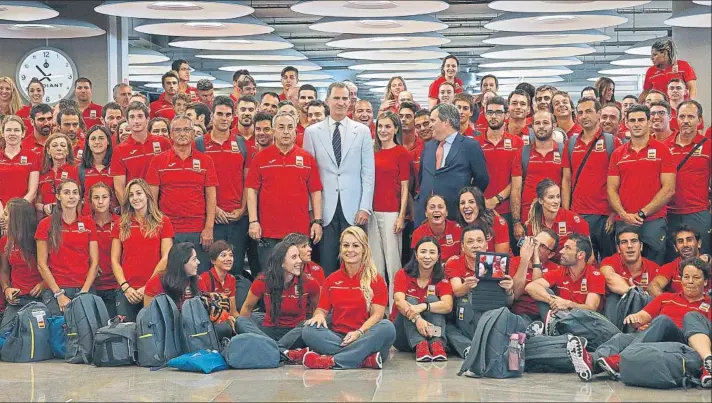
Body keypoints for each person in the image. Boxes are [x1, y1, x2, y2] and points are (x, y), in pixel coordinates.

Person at [567, 257, 711, 387]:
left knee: (662, 321)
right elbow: (643, 316)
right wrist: (635, 319)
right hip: (654, 336)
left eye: (696, 277)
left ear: (705, 282)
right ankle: (591, 362)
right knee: (621, 338)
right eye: (686, 277)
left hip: (683, 343)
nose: (690, 281)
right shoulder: (666, 297)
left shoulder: (709, 304)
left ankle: (619, 360)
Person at [303, 82, 375, 275]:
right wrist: (312, 210)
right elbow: (308, 176)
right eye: (336, 98)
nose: (341, 102)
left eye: (345, 98)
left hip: (354, 208)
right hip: (324, 208)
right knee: (327, 261)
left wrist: (364, 206)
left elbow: (368, 172)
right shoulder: (312, 132)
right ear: (328, 101)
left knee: (355, 261)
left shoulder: (362, 131)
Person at [302, 226, 396, 370]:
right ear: (341, 249)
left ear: (364, 249)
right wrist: (319, 316)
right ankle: (363, 360)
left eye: (355, 245)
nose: (350, 250)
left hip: (365, 335)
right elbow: (321, 309)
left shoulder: (376, 280)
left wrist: (359, 333)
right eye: (346, 245)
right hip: (338, 338)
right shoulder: (331, 280)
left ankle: (332, 360)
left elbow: (377, 315)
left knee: (387, 327)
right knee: (309, 329)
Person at [246, 112, 323, 270]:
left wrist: (317, 221)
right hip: (268, 231)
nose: (286, 132)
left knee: (299, 278)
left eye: (290, 127)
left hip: (299, 232)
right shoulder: (260, 158)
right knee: (270, 276)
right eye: (281, 127)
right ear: (274, 131)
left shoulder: (308, 158)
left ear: (296, 131)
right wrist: (253, 221)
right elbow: (251, 191)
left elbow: (316, 191)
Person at [147, 115, 218, 274]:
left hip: (198, 230)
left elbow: (211, 198)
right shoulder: (158, 161)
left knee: (197, 276)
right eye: (177, 130)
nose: (182, 133)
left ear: (193, 134)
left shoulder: (206, 161)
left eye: (186, 129)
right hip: (168, 230)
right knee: (171, 276)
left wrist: (209, 228)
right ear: (171, 135)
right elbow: (151, 200)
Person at [608, 104, 676, 265]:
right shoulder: (618, 154)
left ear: (649, 122)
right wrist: (623, 214)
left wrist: (642, 213)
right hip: (624, 220)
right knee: (625, 267)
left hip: (653, 220)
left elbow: (669, 189)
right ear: (626, 123)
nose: (636, 124)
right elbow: (611, 189)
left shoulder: (663, 151)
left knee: (654, 268)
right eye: (632, 120)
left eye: (640, 120)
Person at [238, 240, 320, 363]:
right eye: (294, 257)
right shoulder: (262, 281)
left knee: (310, 324)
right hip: (269, 331)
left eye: (298, 256)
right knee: (240, 321)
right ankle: (283, 351)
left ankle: (270, 349)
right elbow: (247, 309)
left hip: (296, 333)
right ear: (281, 262)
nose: (299, 261)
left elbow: (320, 310)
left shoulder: (310, 282)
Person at [443, 225, 515, 357]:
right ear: (463, 247)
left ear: (486, 245)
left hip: (490, 312)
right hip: (465, 314)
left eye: (479, 241)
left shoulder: (496, 263)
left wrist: (509, 290)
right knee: (447, 328)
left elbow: (508, 302)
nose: (475, 245)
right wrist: (468, 285)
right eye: (470, 242)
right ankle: (469, 349)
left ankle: (483, 344)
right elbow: (457, 291)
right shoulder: (454, 263)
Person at [562, 97, 621, 259]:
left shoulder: (613, 142)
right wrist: (567, 213)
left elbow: (620, 183)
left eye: (588, 111)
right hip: (578, 214)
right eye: (580, 112)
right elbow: (566, 180)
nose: (584, 116)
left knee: (609, 262)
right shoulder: (571, 143)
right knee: (581, 262)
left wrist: (614, 213)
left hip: (605, 215)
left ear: (599, 114)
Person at [200, 96, 251, 277]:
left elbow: (248, 181)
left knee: (235, 269)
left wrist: (243, 209)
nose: (224, 118)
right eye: (219, 114)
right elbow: (198, 184)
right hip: (213, 219)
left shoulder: (241, 143)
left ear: (233, 116)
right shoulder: (199, 144)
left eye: (228, 114)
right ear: (212, 116)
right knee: (212, 270)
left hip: (237, 218)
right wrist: (214, 209)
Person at [416, 103, 489, 225]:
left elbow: (482, 179)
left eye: (433, 120)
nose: (430, 125)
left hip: (454, 216)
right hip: (425, 219)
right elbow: (422, 178)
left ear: (447, 122)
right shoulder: (428, 147)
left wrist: (465, 199)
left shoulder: (470, 146)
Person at [111, 178, 173, 321]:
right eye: (131, 195)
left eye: (139, 193)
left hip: (154, 289)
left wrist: (147, 287)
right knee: (127, 336)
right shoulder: (120, 224)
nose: (135, 198)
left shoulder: (163, 221)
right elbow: (114, 260)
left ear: (147, 195)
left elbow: (166, 257)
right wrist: (126, 287)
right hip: (127, 291)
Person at [35, 179, 99, 314]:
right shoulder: (45, 224)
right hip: (56, 290)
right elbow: (41, 264)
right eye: (67, 192)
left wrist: (84, 292)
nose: (71, 196)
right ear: (58, 196)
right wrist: (59, 294)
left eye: (75, 193)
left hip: (83, 288)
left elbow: (95, 262)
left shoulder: (88, 223)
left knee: (85, 334)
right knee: (60, 333)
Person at [369, 111, 409, 308]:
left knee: (393, 263)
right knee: (375, 263)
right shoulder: (371, 151)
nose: (383, 130)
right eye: (380, 127)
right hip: (371, 213)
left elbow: (405, 187)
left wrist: (401, 216)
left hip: (391, 212)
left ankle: (395, 307)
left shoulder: (401, 152)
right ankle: (378, 306)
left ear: (395, 129)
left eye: (387, 126)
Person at [392, 236, 454, 362]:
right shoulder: (402, 274)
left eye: (432, 252)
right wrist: (417, 318)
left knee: (432, 300)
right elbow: (399, 301)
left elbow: (448, 306)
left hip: (431, 333)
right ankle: (420, 344)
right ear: (416, 254)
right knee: (410, 300)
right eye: (423, 251)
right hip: (403, 335)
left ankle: (437, 344)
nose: (427, 256)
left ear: (438, 257)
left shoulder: (442, 278)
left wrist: (425, 306)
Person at [664, 100, 711, 260]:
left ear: (699, 120)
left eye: (690, 116)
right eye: (682, 116)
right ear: (676, 119)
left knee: (702, 259)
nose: (685, 120)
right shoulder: (664, 146)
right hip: (669, 214)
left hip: (698, 213)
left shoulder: (708, 146)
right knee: (672, 260)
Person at [476, 96, 524, 244]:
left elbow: (516, 181)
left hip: (507, 210)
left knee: (508, 256)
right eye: (490, 112)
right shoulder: (475, 144)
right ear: (484, 114)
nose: (494, 116)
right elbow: (470, 178)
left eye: (498, 112)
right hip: (480, 210)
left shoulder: (517, 143)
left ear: (506, 115)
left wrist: (496, 199)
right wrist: (483, 201)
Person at [525, 234, 604, 323]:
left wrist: (568, 304)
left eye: (567, 248)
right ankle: (553, 328)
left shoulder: (595, 275)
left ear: (580, 255)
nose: (561, 251)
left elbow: (590, 309)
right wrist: (553, 301)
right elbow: (531, 287)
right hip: (562, 321)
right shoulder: (560, 271)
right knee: (544, 292)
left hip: (585, 325)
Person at [511, 109, 563, 237]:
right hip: (528, 218)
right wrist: (516, 222)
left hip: (555, 218)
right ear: (532, 126)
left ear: (554, 126)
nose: (541, 126)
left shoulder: (563, 151)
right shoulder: (522, 153)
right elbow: (516, 190)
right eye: (537, 123)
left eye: (545, 123)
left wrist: (565, 215)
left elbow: (567, 186)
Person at [111, 101, 172, 204]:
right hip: (136, 206)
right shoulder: (119, 150)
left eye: (140, 116)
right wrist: (129, 211)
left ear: (147, 119)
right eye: (132, 117)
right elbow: (119, 188)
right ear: (127, 120)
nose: (136, 121)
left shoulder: (163, 143)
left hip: (163, 205)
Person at [0, 198, 43, 329]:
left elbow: (54, 267)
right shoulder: (5, 241)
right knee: (4, 337)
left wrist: (43, 284)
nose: (2, 217)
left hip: (41, 297)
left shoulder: (39, 239)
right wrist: (7, 289)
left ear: (17, 218)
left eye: (6, 214)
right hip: (17, 299)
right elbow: (4, 271)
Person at [524, 179, 589, 257]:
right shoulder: (533, 224)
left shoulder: (575, 220)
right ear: (541, 200)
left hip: (570, 266)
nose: (556, 201)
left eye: (558, 196)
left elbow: (588, 256)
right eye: (551, 197)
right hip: (544, 265)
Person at [509, 229, 561, 323]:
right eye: (535, 242)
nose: (535, 247)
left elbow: (534, 287)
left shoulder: (556, 268)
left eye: (541, 246)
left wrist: (536, 259)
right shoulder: (514, 262)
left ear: (550, 254)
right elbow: (516, 294)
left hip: (543, 314)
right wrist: (524, 260)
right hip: (520, 313)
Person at [649, 225, 710, 297]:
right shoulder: (671, 267)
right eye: (680, 241)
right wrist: (670, 303)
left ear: (699, 243)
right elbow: (653, 286)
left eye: (689, 240)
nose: (685, 244)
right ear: (675, 248)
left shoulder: (708, 263)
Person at [88, 182, 119, 318]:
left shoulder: (120, 222)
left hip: (116, 285)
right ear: (90, 201)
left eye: (104, 197)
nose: (100, 202)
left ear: (110, 199)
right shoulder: (84, 223)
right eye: (96, 197)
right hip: (92, 285)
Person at [197, 241, 241, 333]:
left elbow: (233, 311)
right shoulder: (203, 278)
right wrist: (226, 319)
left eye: (231, 255)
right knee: (226, 328)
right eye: (223, 255)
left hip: (226, 319)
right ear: (213, 261)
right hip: (209, 323)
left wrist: (240, 322)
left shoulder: (231, 279)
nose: (229, 259)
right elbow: (203, 311)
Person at [143, 242, 199, 309]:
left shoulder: (198, 281)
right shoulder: (155, 283)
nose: (198, 262)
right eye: (194, 259)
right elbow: (149, 315)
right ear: (182, 262)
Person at [35, 133, 79, 218]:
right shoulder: (42, 173)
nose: (59, 148)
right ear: (48, 150)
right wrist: (44, 208)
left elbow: (80, 198)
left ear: (68, 150)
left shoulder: (76, 170)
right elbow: (37, 203)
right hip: (47, 219)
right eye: (54, 146)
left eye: (63, 145)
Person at [0, 116, 39, 208]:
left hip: (23, 211)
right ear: (2, 133)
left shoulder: (32, 156)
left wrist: (16, 210)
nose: (12, 133)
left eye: (16, 130)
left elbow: (32, 192)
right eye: (8, 130)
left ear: (23, 133)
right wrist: (2, 212)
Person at [458, 186, 509, 253]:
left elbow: (501, 258)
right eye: (462, 203)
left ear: (480, 205)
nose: (466, 206)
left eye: (471, 202)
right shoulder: (459, 227)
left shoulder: (497, 222)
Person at [412, 194, 462, 263]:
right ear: (426, 213)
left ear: (446, 212)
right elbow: (417, 263)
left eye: (440, 207)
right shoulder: (418, 233)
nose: (436, 210)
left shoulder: (458, 229)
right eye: (432, 207)